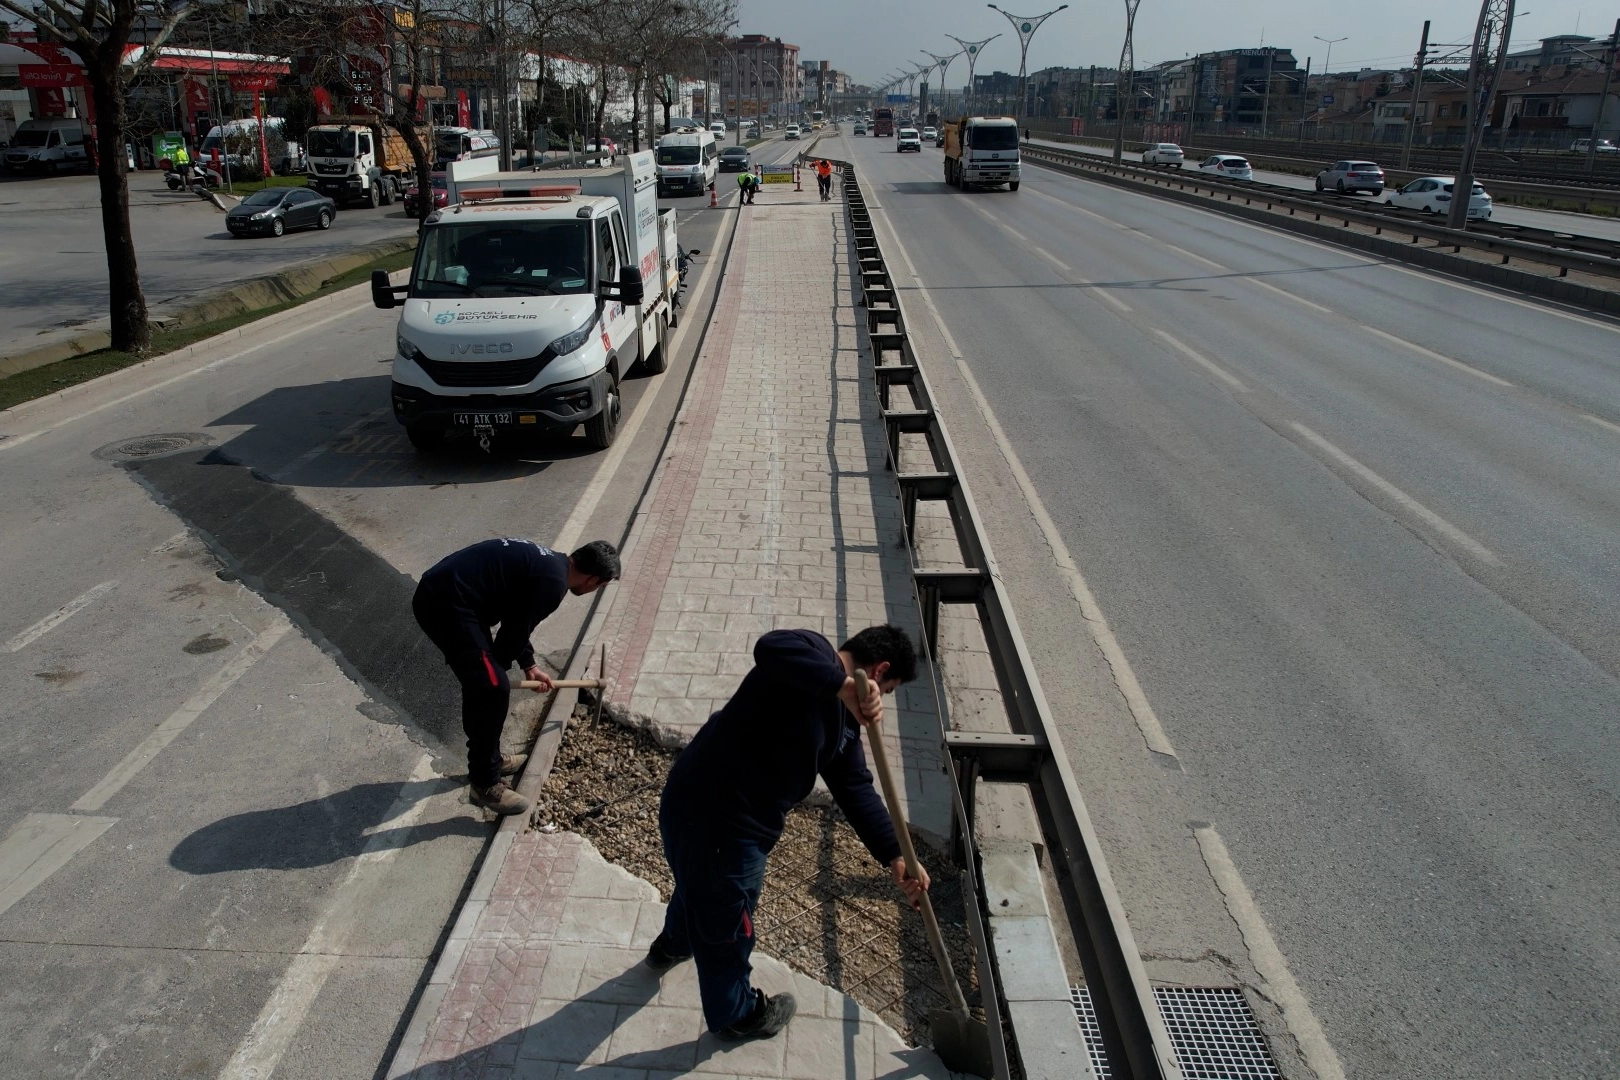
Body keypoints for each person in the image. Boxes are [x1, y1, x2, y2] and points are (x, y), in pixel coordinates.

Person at [648, 625, 929, 1041]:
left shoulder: (843, 724)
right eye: (886, 690)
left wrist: (896, 853)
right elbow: (771, 646)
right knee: (727, 926)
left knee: (702, 886)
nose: (879, 700)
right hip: (726, 827)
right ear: (879, 670)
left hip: (701, 809)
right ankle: (737, 1015)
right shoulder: (812, 655)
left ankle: (673, 944)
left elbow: (855, 787)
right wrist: (844, 685)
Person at [413, 538, 620, 814]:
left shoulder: (551, 565)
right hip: (445, 604)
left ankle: (491, 759)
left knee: (488, 685)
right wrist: (491, 680)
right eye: (600, 587)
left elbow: (517, 620)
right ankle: (484, 783)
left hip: (453, 597)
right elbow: (512, 636)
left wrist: (528, 664)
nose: (595, 590)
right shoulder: (554, 584)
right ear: (593, 579)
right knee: (492, 689)